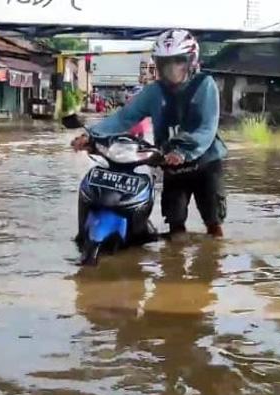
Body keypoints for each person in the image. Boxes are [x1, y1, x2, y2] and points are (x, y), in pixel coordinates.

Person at [71, 29, 227, 238]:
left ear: (191, 62)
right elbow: (124, 117)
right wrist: (91, 135)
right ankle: (175, 256)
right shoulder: (154, 91)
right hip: (170, 164)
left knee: (213, 222)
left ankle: (214, 253)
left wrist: (183, 152)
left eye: (178, 62)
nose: (172, 69)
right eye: (165, 63)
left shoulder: (205, 85)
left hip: (205, 163)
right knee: (175, 222)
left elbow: (207, 128)